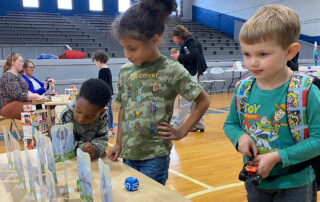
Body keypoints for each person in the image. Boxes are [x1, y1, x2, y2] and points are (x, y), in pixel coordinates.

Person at [107, 0, 210, 185]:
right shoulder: (125, 71)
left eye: (132, 48)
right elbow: (124, 110)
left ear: (154, 40)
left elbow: (203, 101)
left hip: (155, 156)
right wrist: (119, 143)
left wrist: (181, 131)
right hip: (129, 155)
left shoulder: (172, 70)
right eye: (124, 47)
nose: (127, 54)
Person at [223, 5, 320, 201]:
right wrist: (240, 138)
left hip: (296, 183)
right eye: (247, 54)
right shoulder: (243, 89)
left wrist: (277, 157)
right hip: (255, 180)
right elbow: (230, 124)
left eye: (263, 54)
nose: (252, 63)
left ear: (290, 52)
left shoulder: (306, 91)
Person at [60, 78, 112, 160]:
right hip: (72, 161)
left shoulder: (103, 117)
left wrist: (95, 150)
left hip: (94, 162)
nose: (81, 119)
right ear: (77, 99)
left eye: (89, 117)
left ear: (101, 113)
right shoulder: (67, 115)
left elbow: (102, 140)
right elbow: (65, 143)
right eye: (78, 111)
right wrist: (82, 148)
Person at [171, 24, 207, 132]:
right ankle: (199, 125)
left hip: (193, 73)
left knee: (185, 100)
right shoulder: (188, 43)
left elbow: (194, 56)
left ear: (179, 36)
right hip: (194, 72)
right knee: (195, 100)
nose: (173, 40)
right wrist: (180, 55)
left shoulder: (190, 41)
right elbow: (191, 55)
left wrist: (179, 57)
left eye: (174, 37)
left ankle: (177, 126)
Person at [0, 53, 49, 120]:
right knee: (39, 106)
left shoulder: (18, 75)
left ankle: (44, 127)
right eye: (20, 61)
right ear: (13, 62)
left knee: (44, 104)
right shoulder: (8, 76)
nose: (23, 64)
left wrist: (37, 96)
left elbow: (25, 91)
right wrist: (37, 96)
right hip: (8, 105)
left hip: (17, 102)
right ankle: (36, 128)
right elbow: (18, 95)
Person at [92, 50, 114, 137]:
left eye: (96, 63)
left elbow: (102, 85)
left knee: (107, 112)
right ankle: (111, 128)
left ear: (99, 60)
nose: (96, 65)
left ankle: (108, 128)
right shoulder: (108, 69)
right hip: (109, 94)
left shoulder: (102, 71)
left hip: (105, 95)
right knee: (110, 111)